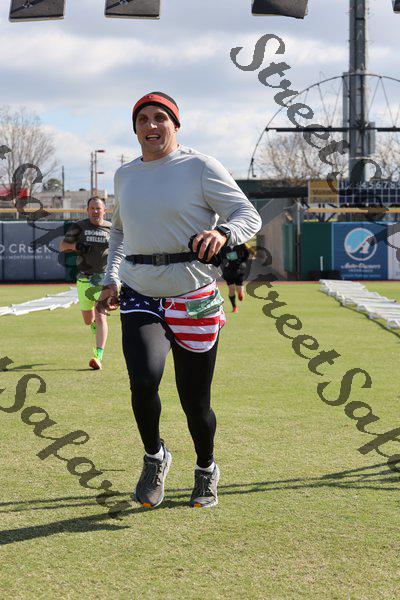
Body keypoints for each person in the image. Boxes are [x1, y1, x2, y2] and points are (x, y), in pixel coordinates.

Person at [99, 92, 262, 509]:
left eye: (160, 118)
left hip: (194, 296)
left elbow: (248, 216)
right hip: (139, 293)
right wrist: (111, 277)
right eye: (143, 119)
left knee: (195, 402)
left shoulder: (200, 166)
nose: (151, 126)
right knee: (143, 381)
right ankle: (155, 457)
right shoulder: (124, 175)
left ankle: (206, 468)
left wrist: (223, 233)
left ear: (176, 125)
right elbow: (119, 231)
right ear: (135, 128)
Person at [60, 196, 111, 370]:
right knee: (88, 320)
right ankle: (94, 326)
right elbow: (62, 246)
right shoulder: (79, 226)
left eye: (98, 208)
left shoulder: (112, 229)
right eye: (92, 208)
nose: (95, 211)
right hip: (83, 278)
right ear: (87, 210)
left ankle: (98, 356)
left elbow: (121, 250)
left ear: (104, 210)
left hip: (103, 278)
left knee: (100, 315)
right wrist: (77, 247)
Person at [221, 243, 256, 313]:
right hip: (228, 271)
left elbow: (247, 253)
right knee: (231, 289)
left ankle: (241, 293)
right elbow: (221, 257)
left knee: (240, 294)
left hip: (239, 270)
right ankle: (234, 307)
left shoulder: (241, 245)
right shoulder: (224, 246)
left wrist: (243, 262)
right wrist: (225, 264)